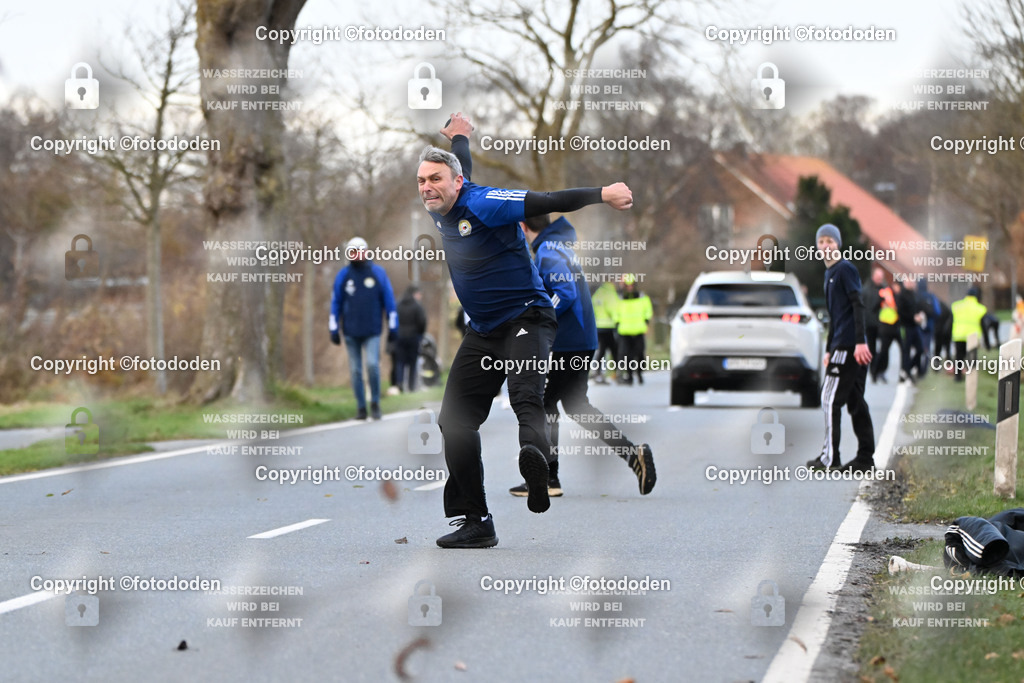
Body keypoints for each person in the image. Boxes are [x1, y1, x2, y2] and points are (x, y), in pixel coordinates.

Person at [422, 112, 634, 548]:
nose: (427, 187)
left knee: (526, 397)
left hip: (527, 318)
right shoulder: (444, 202)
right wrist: (460, 136)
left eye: (436, 179)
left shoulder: (485, 202)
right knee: (454, 421)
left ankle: (536, 469)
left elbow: (545, 199)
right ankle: (476, 520)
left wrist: (603, 194)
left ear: (456, 183)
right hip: (483, 330)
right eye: (422, 180)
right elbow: (462, 160)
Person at [507, 214, 656, 499]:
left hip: (569, 343)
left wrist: (538, 319)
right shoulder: (559, 247)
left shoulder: (548, 252)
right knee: (577, 406)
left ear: (523, 227)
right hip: (581, 340)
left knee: (546, 403)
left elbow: (564, 294)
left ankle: (549, 477)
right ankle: (633, 456)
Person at [806, 224, 875, 472]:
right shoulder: (830, 273)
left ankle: (830, 457)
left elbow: (858, 305)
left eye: (830, 241)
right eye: (821, 242)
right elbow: (836, 315)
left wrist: (859, 342)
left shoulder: (845, 269)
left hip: (849, 346)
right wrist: (828, 349)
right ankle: (865, 458)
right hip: (840, 345)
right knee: (855, 400)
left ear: (838, 244)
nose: (826, 246)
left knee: (829, 399)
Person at [329, 236, 397, 421]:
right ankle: (361, 407)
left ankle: (375, 402)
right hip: (350, 330)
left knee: (372, 365)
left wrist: (393, 326)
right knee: (356, 370)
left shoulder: (378, 273)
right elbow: (336, 302)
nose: (356, 255)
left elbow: (389, 300)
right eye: (352, 251)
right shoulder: (343, 275)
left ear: (366, 252)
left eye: (360, 250)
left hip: (373, 329)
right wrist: (333, 328)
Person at [614, 275, 653, 385]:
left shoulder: (642, 297)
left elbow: (648, 309)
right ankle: (630, 375)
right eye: (628, 285)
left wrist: (646, 321)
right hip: (624, 330)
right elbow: (615, 311)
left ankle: (639, 373)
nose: (630, 287)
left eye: (631, 285)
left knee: (639, 353)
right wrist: (617, 322)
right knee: (627, 355)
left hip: (639, 329)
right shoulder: (619, 298)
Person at [950, 287, 987, 382]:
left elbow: (950, 322)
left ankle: (957, 377)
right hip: (972, 337)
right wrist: (987, 342)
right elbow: (984, 326)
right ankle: (971, 378)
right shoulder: (980, 308)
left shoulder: (956, 306)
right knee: (971, 358)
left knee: (959, 357)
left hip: (959, 336)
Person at [395, 286, 427, 392]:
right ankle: (411, 386)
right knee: (412, 362)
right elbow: (422, 321)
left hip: (400, 336)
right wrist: (420, 334)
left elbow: (393, 319)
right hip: (413, 336)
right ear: (414, 293)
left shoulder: (398, 304)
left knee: (400, 362)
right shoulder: (416, 306)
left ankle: (399, 383)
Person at [893, 280, 924, 383]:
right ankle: (907, 373)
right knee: (906, 350)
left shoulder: (914, 294)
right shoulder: (901, 295)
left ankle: (907, 369)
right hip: (905, 326)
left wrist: (919, 315)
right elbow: (900, 311)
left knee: (920, 349)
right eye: (909, 281)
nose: (912, 283)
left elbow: (917, 308)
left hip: (915, 327)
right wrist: (913, 317)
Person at [590, 282, 621, 384]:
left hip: (598, 326)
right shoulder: (610, 293)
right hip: (609, 326)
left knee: (601, 351)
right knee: (614, 350)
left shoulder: (598, 293)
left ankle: (598, 372)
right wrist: (618, 321)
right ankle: (617, 373)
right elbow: (613, 309)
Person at [872, 277, 901, 383]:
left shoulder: (899, 295)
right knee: (884, 352)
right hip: (886, 327)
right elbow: (874, 308)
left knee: (902, 350)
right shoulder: (885, 294)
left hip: (896, 327)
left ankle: (901, 372)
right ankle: (875, 372)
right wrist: (882, 304)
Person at [862, 266, 885, 367]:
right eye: (878, 277)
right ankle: (871, 368)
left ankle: (878, 369)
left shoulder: (884, 290)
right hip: (869, 324)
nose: (880, 280)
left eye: (881, 278)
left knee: (882, 349)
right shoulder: (865, 289)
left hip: (883, 324)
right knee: (871, 347)